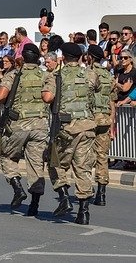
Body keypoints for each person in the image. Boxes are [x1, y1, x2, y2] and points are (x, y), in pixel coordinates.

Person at [44, 42, 98, 225]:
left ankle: (64, 197)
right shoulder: (90, 74)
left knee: (54, 162)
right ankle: (84, 212)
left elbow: (47, 97)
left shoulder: (57, 76)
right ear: (80, 57)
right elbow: (96, 87)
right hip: (87, 127)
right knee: (82, 168)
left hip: (66, 129)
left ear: (63, 57)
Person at [0, 44, 48, 215]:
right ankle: (35, 205)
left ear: (23, 57)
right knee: (36, 165)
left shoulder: (14, 75)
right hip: (40, 125)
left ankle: (17, 186)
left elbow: (0, 96)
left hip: (18, 125)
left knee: (7, 155)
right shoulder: (45, 75)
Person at [86, 45, 114, 206]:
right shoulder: (108, 76)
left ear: (90, 57)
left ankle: (87, 190)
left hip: (90, 119)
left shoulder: (88, 73)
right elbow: (112, 100)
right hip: (104, 118)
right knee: (102, 156)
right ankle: (101, 193)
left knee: (86, 157)